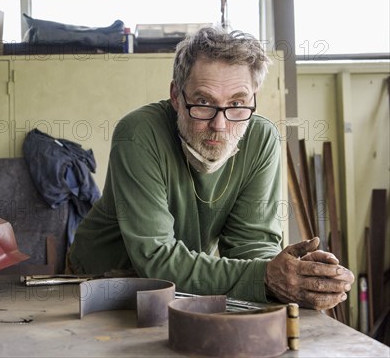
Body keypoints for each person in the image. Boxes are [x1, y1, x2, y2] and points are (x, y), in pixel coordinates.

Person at [68, 26, 354, 310]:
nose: (220, 125)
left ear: (254, 99)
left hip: (181, 287)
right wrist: (265, 277)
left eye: (237, 104)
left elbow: (251, 243)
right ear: (177, 97)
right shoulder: (138, 134)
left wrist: (288, 274)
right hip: (100, 282)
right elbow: (154, 258)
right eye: (204, 103)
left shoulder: (262, 139)